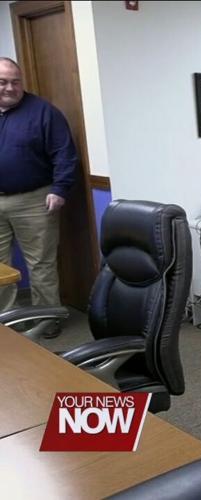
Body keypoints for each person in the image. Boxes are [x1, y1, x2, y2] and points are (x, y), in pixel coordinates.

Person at [0, 57, 77, 338]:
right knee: (0, 269)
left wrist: (60, 189)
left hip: (34, 199)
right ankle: (7, 322)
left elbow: (64, 153)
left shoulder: (44, 112)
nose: (10, 87)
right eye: (3, 82)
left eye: (15, 81)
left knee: (41, 263)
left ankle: (46, 319)